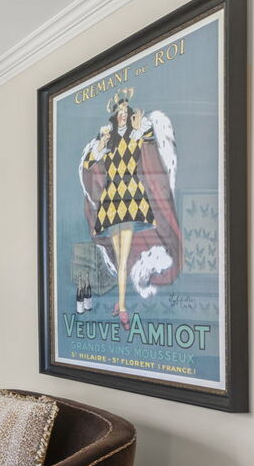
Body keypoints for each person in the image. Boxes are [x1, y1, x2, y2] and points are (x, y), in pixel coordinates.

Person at [77, 88, 183, 329]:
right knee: (120, 257)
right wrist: (99, 145)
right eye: (120, 112)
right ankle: (121, 303)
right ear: (114, 116)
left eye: (126, 111)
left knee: (123, 258)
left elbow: (148, 143)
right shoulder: (107, 141)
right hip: (112, 200)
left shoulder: (136, 134)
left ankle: (122, 306)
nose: (123, 115)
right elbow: (88, 164)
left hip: (129, 198)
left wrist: (139, 127)